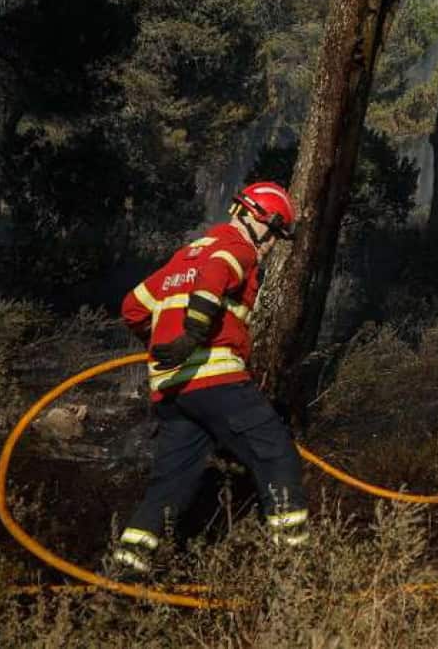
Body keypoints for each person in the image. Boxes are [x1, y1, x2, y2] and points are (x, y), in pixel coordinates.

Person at [108, 181, 308, 580]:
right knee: (277, 457)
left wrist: (163, 343)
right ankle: (292, 573)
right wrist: (192, 336)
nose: (270, 245)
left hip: (172, 389)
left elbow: (133, 307)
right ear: (253, 217)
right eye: (273, 233)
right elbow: (214, 277)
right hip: (215, 380)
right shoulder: (236, 248)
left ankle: (125, 575)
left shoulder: (186, 256)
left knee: (170, 485)